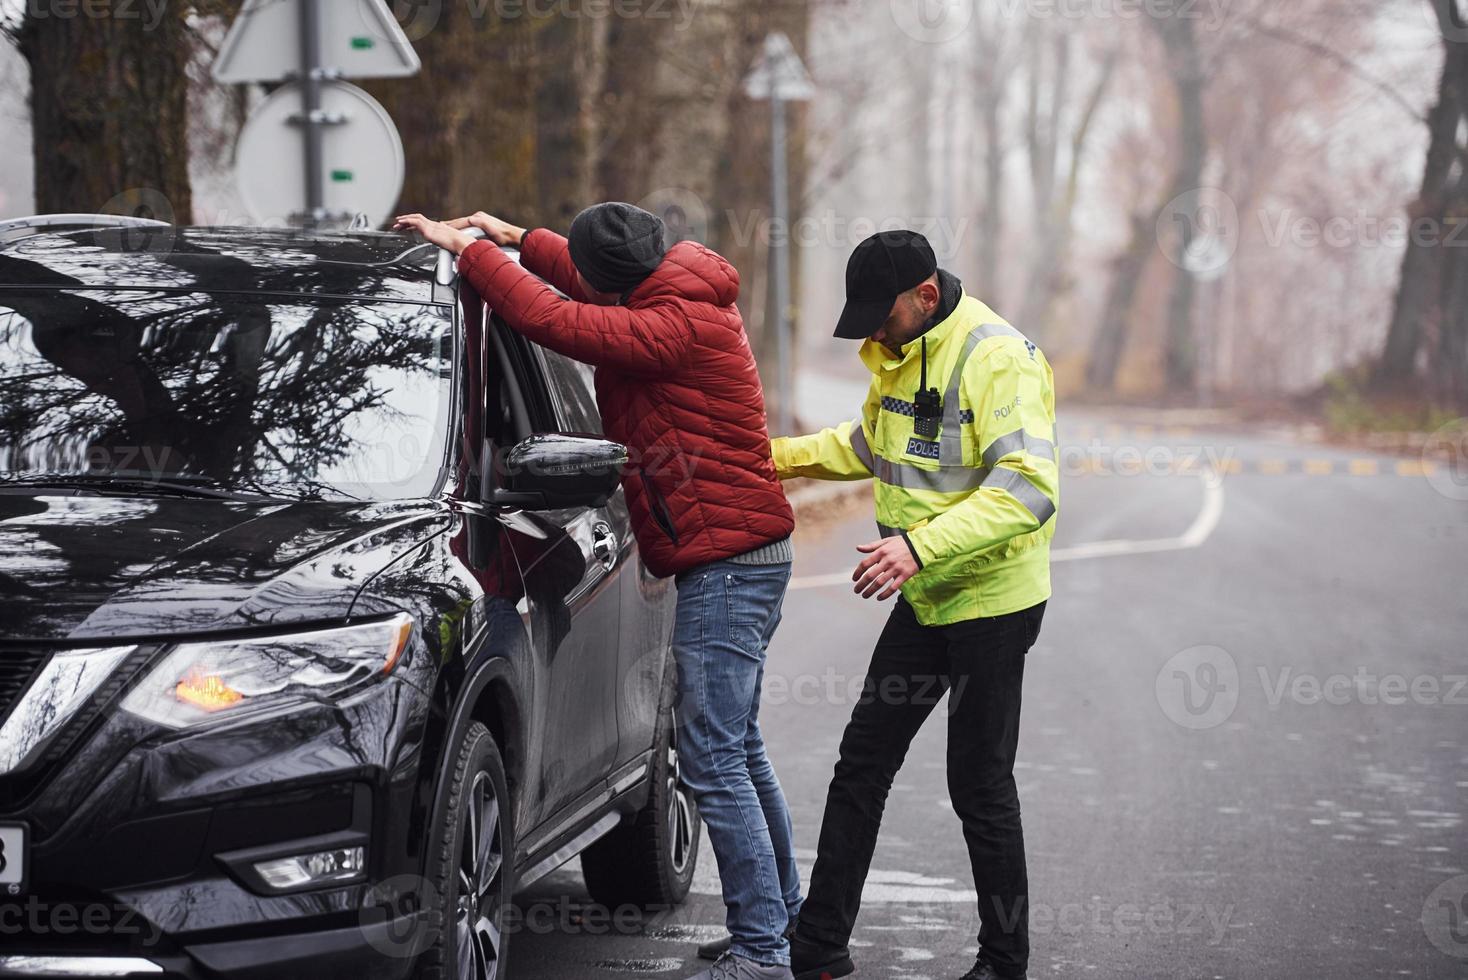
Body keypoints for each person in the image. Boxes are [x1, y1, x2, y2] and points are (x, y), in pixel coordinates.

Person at [394, 204, 804, 980]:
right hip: (744, 556)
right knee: (737, 749)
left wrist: (472, 254)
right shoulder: (676, 286)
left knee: (715, 757)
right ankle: (782, 923)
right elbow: (584, 283)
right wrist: (519, 238)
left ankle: (762, 951)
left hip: (728, 566)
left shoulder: (667, 327)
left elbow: (557, 318)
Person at [770, 230, 1058, 980]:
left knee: (980, 786)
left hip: (992, 601)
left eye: (881, 314)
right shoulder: (900, 354)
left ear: (926, 296)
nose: (872, 329)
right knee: (861, 765)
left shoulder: (998, 357)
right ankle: (819, 947)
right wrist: (769, 457)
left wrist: (919, 547)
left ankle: (1004, 963)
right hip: (928, 597)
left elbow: (1029, 487)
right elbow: (871, 447)